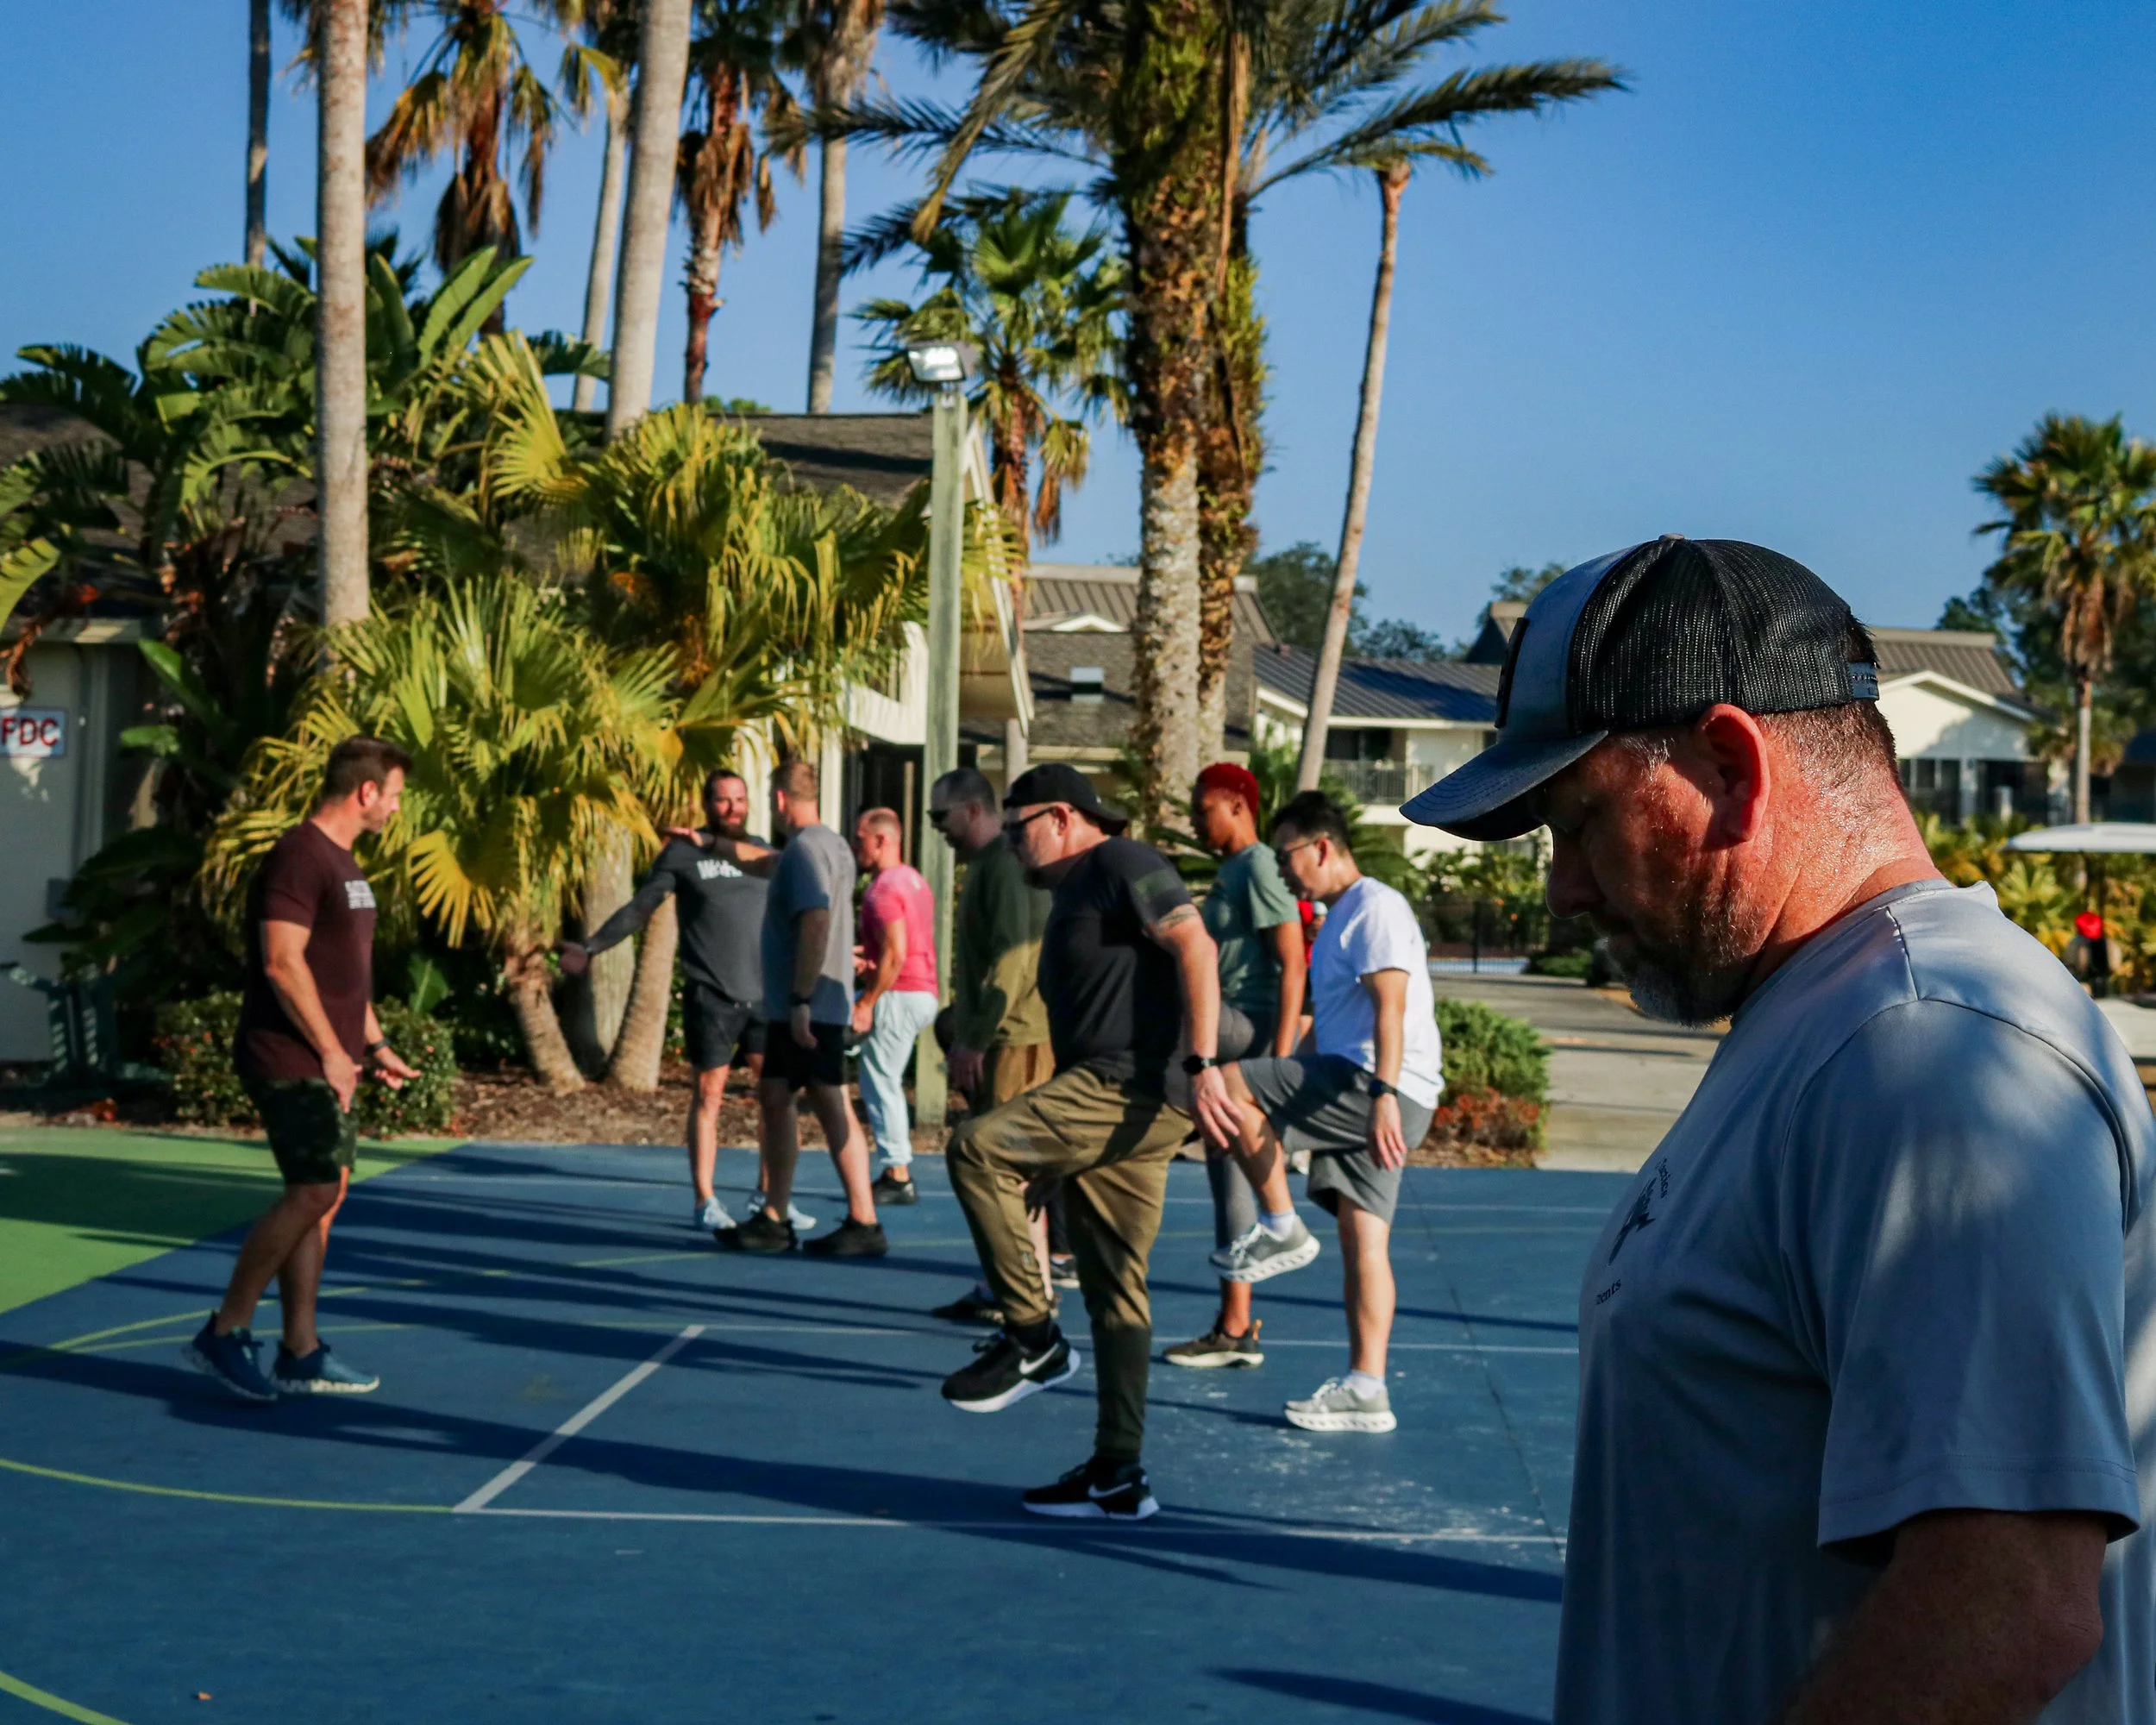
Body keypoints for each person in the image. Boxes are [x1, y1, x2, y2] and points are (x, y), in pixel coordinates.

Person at [1405, 536, 2156, 1724]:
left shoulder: (1927, 1045)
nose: (1564, 889)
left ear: (1731, 762)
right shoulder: (1826, 1016)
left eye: (1576, 820)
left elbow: (2006, 1608)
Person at [939, 762, 1239, 1521]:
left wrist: (1203, 1066)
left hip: (1131, 1087)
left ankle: (1033, 1337)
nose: (1009, 843)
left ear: (1066, 817)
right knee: (1116, 1292)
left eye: (1018, 828)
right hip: (1113, 1106)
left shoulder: (1122, 862)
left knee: (973, 1147)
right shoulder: (1072, 890)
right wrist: (1055, 1157)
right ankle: (1118, 1472)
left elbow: (1195, 948)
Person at [183, 737, 419, 1402]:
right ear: (366, 792)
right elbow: (283, 963)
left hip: (332, 1058)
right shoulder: (299, 855)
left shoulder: (345, 863)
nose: (397, 808)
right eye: (395, 794)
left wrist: (373, 1046)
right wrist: (332, 1053)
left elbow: (345, 972)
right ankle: (224, 1332)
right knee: (313, 1191)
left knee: (324, 1195)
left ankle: (300, 1350)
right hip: (289, 1057)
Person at [1209, 792, 1444, 1433]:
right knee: (1364, 1242)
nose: (1281, 871)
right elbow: (1337, 1025)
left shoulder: (1375, 908)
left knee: (1227, 1084)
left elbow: (1390, 1007)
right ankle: (1368, 1389)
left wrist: (1385, 1097)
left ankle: (1279, 1224)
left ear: (1322, 848)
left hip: (1377, 1086)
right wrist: (1293, 1063)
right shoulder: (1342, 916)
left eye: (1286, 857)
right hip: (1376, 1084)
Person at [678, 759, 885, 1258]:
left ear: (777, 801)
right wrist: (708, 844)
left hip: (807, 1007)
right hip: (822, 1004)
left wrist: (799, 998)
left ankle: (858, 1219)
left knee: (827, 1104)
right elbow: (763, 863)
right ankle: (778, 1212)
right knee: (778, 1095)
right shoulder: (830, 845)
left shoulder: (802, 854)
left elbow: (814, 917)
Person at [560, 768, 778, 1231]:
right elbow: (641, 907)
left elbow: (799, 885)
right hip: (712, 994)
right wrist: (591, 947)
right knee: (708, 1095)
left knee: (773, 1097)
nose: (733, 808)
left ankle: (768, 1195)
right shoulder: (682, 853)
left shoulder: (760, 851)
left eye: (740, 799)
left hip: (764, 995)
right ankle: (706, 1200)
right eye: (723, 800)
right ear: (707, 804)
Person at [1164, 761, 1307, 1372]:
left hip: (1243, 1025)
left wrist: (1276, 1061)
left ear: (1238, 806)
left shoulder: (1254, 866)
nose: (1197, 820)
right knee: (1229, 1181)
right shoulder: (1232, 870)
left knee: (1153, 1045)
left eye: (1205, 809)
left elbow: (1293, 959)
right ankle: (1236, 1325)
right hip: (1226, 1031)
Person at [923, 766, 1060, 1325]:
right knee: (1010, 1171)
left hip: (1015, 1041)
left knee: (1004, 1172)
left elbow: (1014, 955)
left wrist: (973, 1039)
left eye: (941, 816)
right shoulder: (992, 863)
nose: (938, 829)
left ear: (973, 810)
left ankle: (1026, 1301)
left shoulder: (1002, 863)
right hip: (1008, 1035)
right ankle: (1019, 1289)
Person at [851, 806, 941, 1206]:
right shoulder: (914, 881)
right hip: (921, 990)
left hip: (898, 993)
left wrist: (868, 1001)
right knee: (879, 1074)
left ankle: (898, 1173)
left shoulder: (882, 889)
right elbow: (899, 946)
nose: (857, 847)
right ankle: (895, 1168)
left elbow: (896, 953)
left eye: (861, 839)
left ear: (882, 841)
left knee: (880, 1080)